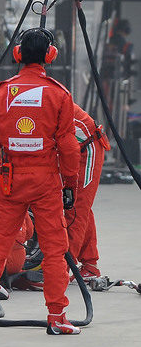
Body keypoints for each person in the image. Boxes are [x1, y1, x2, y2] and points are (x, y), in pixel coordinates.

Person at [0, 28, 80, 335]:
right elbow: (69, 147)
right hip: (46, 181)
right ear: (50, 56)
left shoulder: (1, 92)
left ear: (17, 55)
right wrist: (69, 183)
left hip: (10, 180)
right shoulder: (59, 94)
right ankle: (57, 317)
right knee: (55, 249)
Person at [68, 104, 109, 279]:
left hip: (88, 148)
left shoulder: (44, 100)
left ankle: (62, 268)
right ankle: (90, 264)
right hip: (72, 147)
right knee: (80, 207)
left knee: (76, 207)